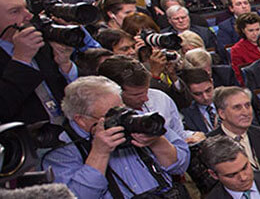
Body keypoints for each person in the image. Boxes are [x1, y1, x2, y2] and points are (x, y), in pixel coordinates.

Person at [43, 76, 190, 199]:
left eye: (122, 108)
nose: (122, 117)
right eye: (111, 115)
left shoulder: (135, 119)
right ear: (81, 119)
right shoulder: (63, 149)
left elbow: (181, 165)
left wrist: (157, 142)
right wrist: (99, 153)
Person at [0, 0, 78, 124]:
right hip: (27, 140)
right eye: (15, 11)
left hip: (70, 133)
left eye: (26, 8)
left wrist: (65, 65)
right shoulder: (27, 45)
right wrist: (21, 60)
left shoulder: (40, 38)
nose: (28, 16)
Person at [208, 86, 260, 170]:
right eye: (237, 107)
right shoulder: (210, 145)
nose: (246, 112)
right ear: (222, 113)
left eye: (247, 105)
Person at [180, 68, 220, 134]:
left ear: (212, 83)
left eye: (208, 90)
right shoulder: (187, 114)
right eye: (198, 94)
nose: (205, 97)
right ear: (189, 92)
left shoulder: (227, 101)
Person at [230, 12, 260, 85]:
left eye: (257, 29)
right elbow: (241, 78)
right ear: (243, 30)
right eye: (251, 30)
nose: (255, 34)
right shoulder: (237, 50)